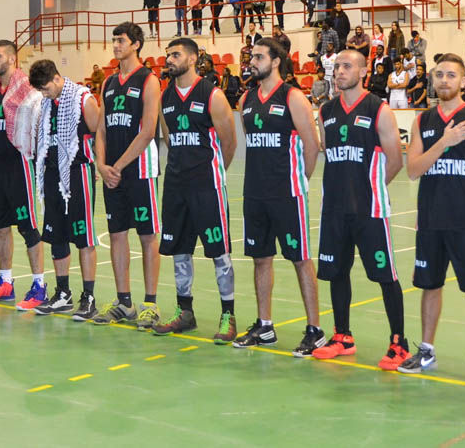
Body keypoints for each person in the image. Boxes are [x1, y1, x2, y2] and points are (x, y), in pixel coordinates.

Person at [399, 53, 465, 386]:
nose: (444, 80)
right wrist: (444, 142)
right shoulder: (423, 121)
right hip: (430, 221)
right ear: (432, 78)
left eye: (451, 75)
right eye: (439, 74)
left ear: (463, 81)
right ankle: (426, 351)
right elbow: (413, 170)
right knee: (430, 286)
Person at [312, 48, 409, 366]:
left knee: (385, 275)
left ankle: (399, 342)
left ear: (364, 71)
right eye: (337, 66)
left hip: (369, 210)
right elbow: (328, 152)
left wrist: (372, 189)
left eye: (347, 66)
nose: (339, 71)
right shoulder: (325, 111)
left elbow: (394, 160)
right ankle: (343, 336)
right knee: (337, 272)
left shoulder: (379, 109)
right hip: (334, 208)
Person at [232, 39, 324, 355]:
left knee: (300, 259)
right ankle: (265, 325)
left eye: (259, 57)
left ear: (275, 61)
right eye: (252, 56)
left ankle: (315, 329)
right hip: (255, 192)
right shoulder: (245, 99)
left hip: (287, 193)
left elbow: (312, 146)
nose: (252, 61)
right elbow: (252, 140)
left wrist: (299, 180)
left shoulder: (293, 97)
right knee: (260, 258)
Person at [152, 37, 238, 343]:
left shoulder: (212, 95)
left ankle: (228, 314)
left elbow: (229, 143)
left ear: (193, 58)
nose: (169, 60)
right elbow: (169, 138)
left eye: (175, 55)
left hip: (207, 186)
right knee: (179, 250)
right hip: (176, 185)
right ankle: (184, 311)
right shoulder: (165, 97)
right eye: (168, 55)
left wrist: (211, 173)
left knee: (219, 252)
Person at [93, 23, 164, 329]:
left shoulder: (149, 80)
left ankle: (150, 303)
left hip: (139, 170)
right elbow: (101, 129)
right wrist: (101, 164)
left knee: (147, 236)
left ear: (136, 44)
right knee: (117, 233)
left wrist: (117, 166)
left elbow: (148, 131)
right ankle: (124, 302)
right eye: (114, 40)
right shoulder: (108, 82)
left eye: (121, 40)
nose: (115, 45)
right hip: (112, 172)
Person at [28, 60, 102, 319]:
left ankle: (88, 296)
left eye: (46, 88)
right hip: (52, 174)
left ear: (57, 78)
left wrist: (100, 166)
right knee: (56, 236)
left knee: (84, 237)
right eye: (40, 90)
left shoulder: (83, 99)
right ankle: (63, 294)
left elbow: (98, 133)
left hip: (77, 173)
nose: (43, 93)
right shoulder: (47, 103)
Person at [0, 40, 47, 309]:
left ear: (11, 59)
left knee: (28, 227)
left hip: (20, 164)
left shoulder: (28, 90)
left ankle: (39, 285)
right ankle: (5, 282)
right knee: (0, 225)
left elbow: (39, 125)